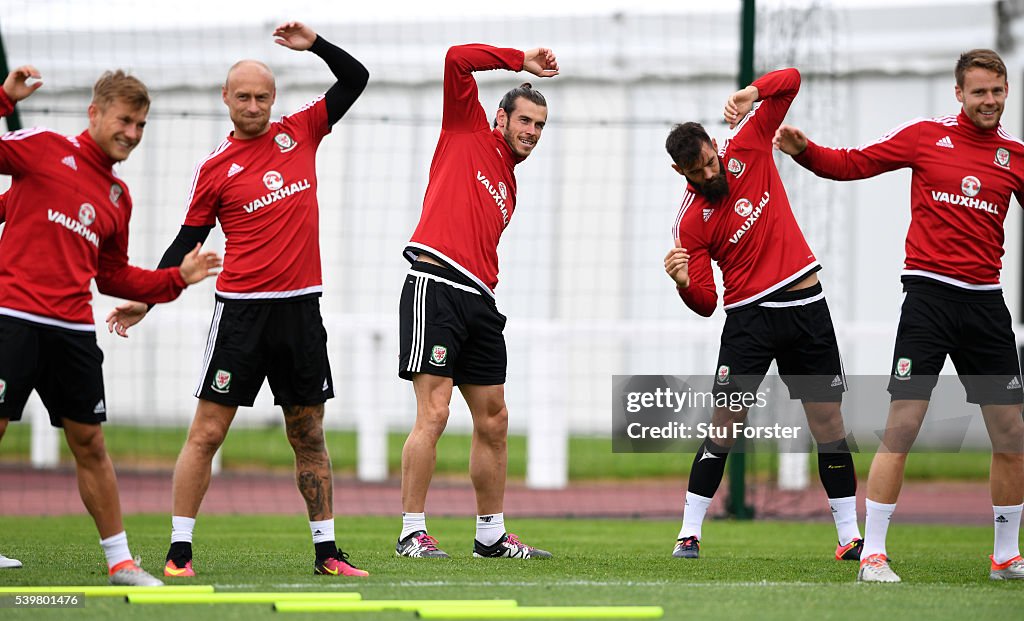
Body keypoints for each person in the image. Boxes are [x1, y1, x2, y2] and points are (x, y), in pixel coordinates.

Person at [109, 21, 370, 579]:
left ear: (274, 100)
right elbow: (187, 242)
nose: (253, 104)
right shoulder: (214, 169)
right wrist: (145, 298)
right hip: (242, 314)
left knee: (308, 434)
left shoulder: (301, 131)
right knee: (206, 432)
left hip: (301, 309)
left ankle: (327, 553)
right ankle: (180, 552)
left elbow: (356, 78)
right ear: (226, 100)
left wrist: (316, 45)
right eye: (243, 96)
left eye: (262, 96)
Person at [774, 49, 1024, 582]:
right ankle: (873, 554)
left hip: (986, 304)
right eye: (979, 91)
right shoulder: (925, 137)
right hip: (929, 300)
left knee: (1011, 433)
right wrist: (805, 152)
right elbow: (853, 163)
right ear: (959, 93)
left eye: (997, 91)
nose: (989, 101)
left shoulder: (1015, 156)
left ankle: (1006, 555)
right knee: (903, 426)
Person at [0, 66, 220, 586]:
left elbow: (113, 275)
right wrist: (4, 98)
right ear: (94, 113)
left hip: (73, 330)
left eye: (142, 125)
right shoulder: (43, 147)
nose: (133, 133)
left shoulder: (118, 197)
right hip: (13, 318)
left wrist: (177, 279)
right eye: (126, 120)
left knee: (90, 443)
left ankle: (121, 562)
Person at [663, 68, 862, 562]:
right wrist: (685, 284)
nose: (708, 174)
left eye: (709, 162)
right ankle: (689, 533)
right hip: (749, 320)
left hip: (805, 307)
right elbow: (707, 302)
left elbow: (791, 80)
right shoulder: (689, 224)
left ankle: (849, 537)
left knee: (828, 425)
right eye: (696, 172)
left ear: (715, 144)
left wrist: (751, 92)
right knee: (724, 425)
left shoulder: (749, 141)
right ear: (680, 173)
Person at [395, 44, 558, 559]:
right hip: (435, 286)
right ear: (501, 117)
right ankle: (411, 532)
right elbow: (455, 59)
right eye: (524, 121)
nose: (531, 132)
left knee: (495, 419)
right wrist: (520, 61)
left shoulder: (510, 184)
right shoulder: (465, 131)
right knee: (435, 413)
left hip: (481, 301)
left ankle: (490, 534)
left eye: (539, 126)